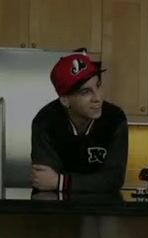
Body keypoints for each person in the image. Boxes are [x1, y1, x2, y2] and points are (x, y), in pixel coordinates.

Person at [30, 49, 128, 193]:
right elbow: (43, 181)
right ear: (65, 100)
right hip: (56, 206)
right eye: (85, 92)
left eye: (98, 85)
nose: (98, 98)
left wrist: (60, 182)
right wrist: (95, 181)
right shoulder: (45, 121)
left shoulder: (115, 119)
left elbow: (114, 180)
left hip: (102, 207)